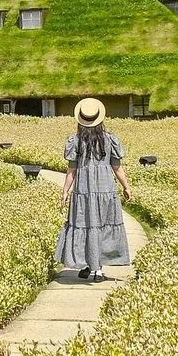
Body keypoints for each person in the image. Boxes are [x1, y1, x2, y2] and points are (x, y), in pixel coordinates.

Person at [56, 97, 132, 283]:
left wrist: (65, 192)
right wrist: (126, 186)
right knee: (102, 226)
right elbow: (117, 168)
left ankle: (88, 264)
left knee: (85, 224)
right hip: (106, 190)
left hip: (83, 191)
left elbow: (71, 171)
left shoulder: (76, 141)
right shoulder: (110, 140)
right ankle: (97, 270)